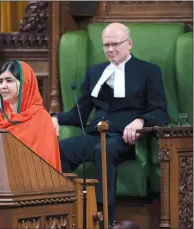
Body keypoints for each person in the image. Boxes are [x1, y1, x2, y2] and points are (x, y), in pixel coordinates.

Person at [51, 23, 168, 226]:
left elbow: (160, 111)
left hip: (126, 139)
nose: (110, 50)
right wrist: (54, 118)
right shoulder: (95, 73)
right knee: (61, 149)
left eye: (115, 44)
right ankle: (71, 212)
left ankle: (105, 219)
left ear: (129, 44)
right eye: (106, 45)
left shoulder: (148, 71)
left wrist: (141, 121)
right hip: (96, 134)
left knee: (102, 151)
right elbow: (79, 112)